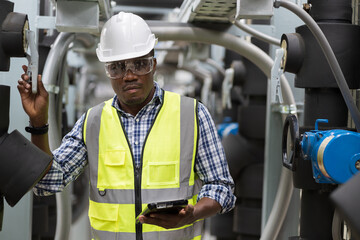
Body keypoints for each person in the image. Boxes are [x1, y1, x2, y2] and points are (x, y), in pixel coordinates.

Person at [17, 12, 235, 240]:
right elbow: (45, 183)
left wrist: (192, 214)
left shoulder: (193, 115)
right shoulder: (92, 122)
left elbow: (222, 187)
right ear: (108, 72)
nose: (129, 76)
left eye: (139, 64)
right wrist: (38, 123)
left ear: (154, 65)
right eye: (118, 67)